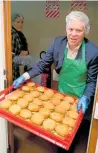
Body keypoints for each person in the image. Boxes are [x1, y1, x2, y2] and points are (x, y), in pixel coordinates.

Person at [13, 11, 98, 153]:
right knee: (59, 131)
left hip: (79, 98)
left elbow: (91, 81)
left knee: (71, 136)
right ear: (66, 28)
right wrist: (25, 76)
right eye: (71, 29)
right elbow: (42, 65)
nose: (73, 34)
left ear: (85, 31)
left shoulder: (92, 52)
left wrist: (86, 96)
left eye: (78, 30)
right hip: (62, 94)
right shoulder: (58, 43)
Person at [12, 13, 33, 80]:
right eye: (18, 22)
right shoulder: (12, 33)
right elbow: (9, 55)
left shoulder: (20, 34)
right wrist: (21, 56)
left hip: (19, 66)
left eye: (22, 22)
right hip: (13, 69)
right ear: (12, 22)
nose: (20, 24)